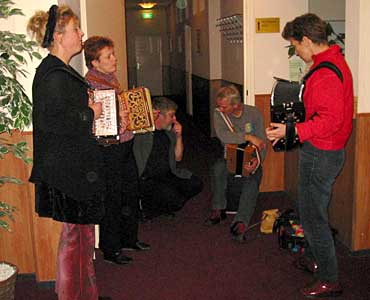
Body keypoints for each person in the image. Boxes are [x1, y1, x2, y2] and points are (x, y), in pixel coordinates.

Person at [266, 13, 353, 298]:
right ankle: (318, 261)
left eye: (296, 46)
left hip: (321, 153)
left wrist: (291, 130)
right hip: (321, 150)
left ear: (306, 40)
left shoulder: (326, 71)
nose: (297, 52)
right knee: (308, 211)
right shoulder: (331, 62)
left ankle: (329, 278)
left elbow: (330, 121)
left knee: (314, 217)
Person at [27, 5, 110, 300]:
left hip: (72, 170)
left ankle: (87, 294)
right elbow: (56, 121)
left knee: (83, 238)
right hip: (67, 173)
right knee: (75, 240)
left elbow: (61, 113)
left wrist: (83, 107)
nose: (82, 33)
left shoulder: (58, 71)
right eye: (76, 29)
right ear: (60, 36)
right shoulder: (53, 73)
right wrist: (90, 111)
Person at [84, 36, 150, 265]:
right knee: (112, 198)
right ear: (95, 62)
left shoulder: (110, 78)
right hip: (109, 148)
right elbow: (96, 122)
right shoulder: (90, 84)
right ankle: (111, 249)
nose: (114, 59)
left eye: (113, 54)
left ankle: (129, 238)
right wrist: (117, 118)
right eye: (108, 56)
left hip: (126, 143)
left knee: (131, 192)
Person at [204, 85, 266, 243]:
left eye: (224, 106)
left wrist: (256, 162)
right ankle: (219, 209)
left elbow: (262, 142)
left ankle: (241, 222)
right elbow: (223, 136)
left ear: (236, 105)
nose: (220, 109)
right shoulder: (219, 113)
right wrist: (248, 137)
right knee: (218, 168)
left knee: (253, 179)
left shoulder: (253, 113)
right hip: (229, 157)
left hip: (251, 157)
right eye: (219, 105)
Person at [133, 97, 203, 221]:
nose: (175, 119)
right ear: (159, 115)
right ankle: (146, 208)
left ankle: (162, 205)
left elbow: (178, 157)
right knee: (174, 199)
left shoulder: (168, 133)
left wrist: (179, 136)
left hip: (168, 174)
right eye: (171, 115)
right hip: (148, 179)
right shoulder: (142, 133)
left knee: (196, 184)